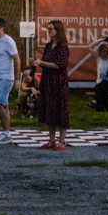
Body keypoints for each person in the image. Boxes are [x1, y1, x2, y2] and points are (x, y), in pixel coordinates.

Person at [35, 19, 72, 151]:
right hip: (48, 81)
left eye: (51, 29)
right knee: (49, 110)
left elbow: (58, 65)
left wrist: (41, 63)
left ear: (58, 31)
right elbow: (46, 63)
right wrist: (38, 63)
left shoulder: (63, 47)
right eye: (48, 29)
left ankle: (62, 141)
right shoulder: (48, 46)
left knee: (60, 110)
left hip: (59, 82)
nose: (49, 31)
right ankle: (51, 140)